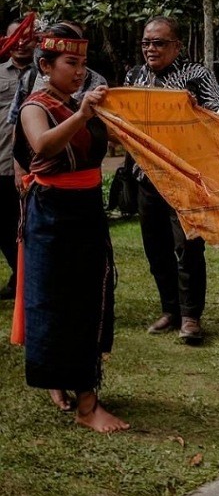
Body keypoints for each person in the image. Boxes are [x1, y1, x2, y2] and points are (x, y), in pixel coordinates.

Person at [14, 23, 127, 433]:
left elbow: (111, 145)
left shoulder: (82, 104)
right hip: (52, 214)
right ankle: (84, 403)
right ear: (46, 65)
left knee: (91, 299)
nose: (80, 71)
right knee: (59, 303)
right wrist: (82, 114)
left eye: (82, 63)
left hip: (86, 210)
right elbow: (41, 145)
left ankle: (72, 383)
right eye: (70, 62)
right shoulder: (35, 105)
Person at [125, 16, 219, 344]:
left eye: (159, 43)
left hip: (184, 178)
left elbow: (218, 120)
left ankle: (191, 316)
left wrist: (195, 112)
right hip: (145, 177)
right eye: (146, 43)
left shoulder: (197, 74)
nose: (151, 49)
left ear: (177, 45)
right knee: (156, 249)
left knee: (189, 248)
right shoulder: (134, 76)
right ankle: (170, 310)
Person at [0, 19, 35, 300]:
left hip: (36, 165)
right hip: (2, 162)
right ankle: (19, 274)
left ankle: (29, 279)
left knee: (29, 225)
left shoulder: (44, 74)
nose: (22, 42)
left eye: (27, 36)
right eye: (16, 37)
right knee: (5, 226)